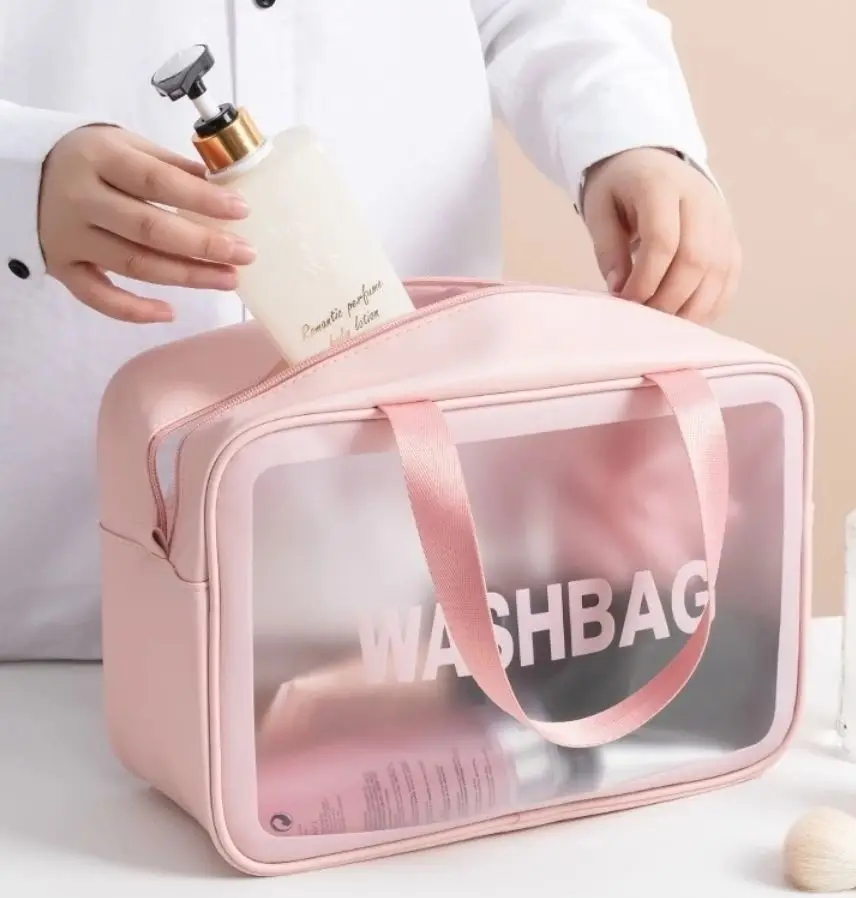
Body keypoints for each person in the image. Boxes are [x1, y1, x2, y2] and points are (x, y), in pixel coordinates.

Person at [0, 0, 740, 661]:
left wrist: (632, 135)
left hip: (400, 577)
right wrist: (20, 170)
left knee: (404, 675)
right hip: (53, 562)